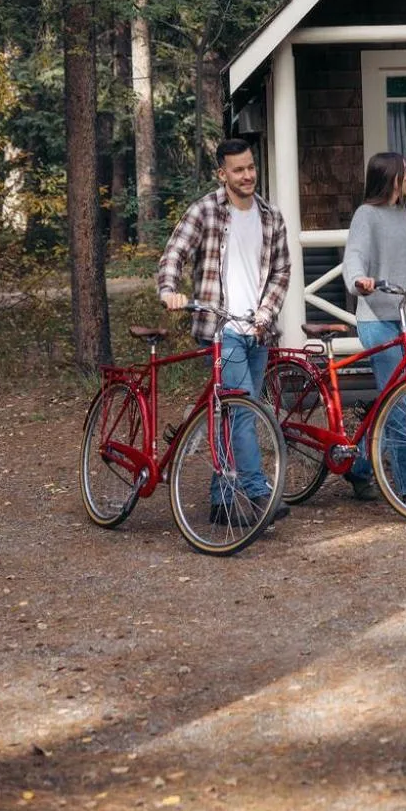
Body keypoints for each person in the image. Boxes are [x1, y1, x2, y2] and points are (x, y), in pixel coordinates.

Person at [157, 137, 291, 523]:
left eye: (251, 167)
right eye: (238, 170)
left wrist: (265, 313)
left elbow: (282, 271)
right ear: (222, 174)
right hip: (219, 327)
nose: (248, 175)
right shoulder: (205, 211)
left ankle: (221, 497)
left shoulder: (271, 216)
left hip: (258, 329)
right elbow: (174, 254)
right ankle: (257, 489)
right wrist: (170, 291)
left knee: (229, 412)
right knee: (245, 408)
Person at [341, 151, 406, 511]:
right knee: (398, 402)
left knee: (394, 401)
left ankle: (358, 466)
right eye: (405, 172)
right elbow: (354, 257)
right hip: (376, 319)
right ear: (390, 179)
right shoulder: (366, 216)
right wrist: (359, 280)